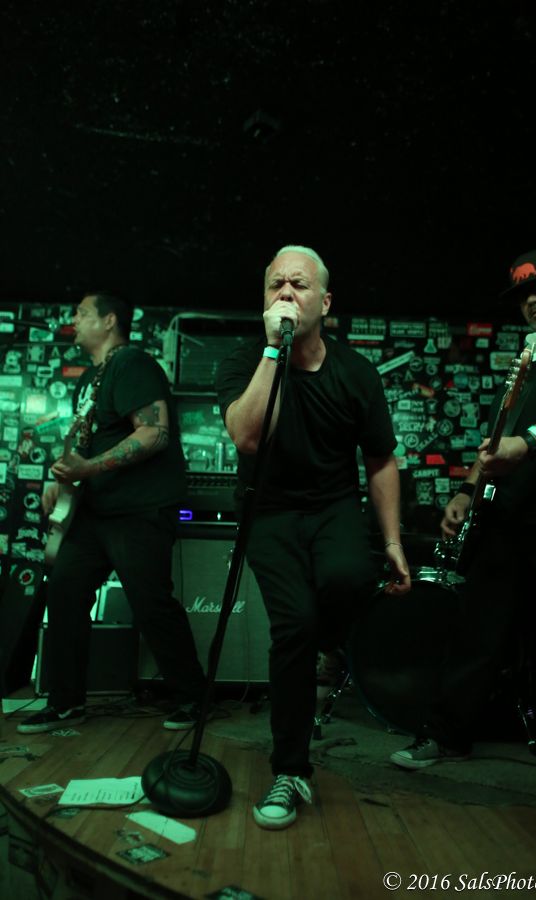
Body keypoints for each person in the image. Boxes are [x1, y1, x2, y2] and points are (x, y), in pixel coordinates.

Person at [216, 245, 411, 829]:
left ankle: (329, 644)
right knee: (292, 628)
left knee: (351, 577)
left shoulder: (355, 372)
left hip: (333, 506)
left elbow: (380, 459)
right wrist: (274, 350)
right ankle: (289, 769)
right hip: (268, 512)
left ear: (325, 302)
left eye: (298, 284)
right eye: (275, 283)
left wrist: (393, 542)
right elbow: (249, 438)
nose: (285, 292)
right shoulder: (245, 361)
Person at [391, 247, 536, 768]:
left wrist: (529, 443)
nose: (532, 301)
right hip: (511, 515)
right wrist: (467, 490)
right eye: (523, 296)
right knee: (477, 629)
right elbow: (499, 437)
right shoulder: (531, 356)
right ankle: (446, 734)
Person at [18, 292, 207, 734]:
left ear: (108, 321)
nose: (73, 319)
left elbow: (154, 433)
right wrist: (62, 477)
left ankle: (194, 698)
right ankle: (65, 702)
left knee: (150, 602)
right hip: (96, 512)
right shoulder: (90, 378)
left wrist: (87, 468)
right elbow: (86, 441)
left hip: (139, 509)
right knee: (64, 591)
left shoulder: (131, 364)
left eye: (82, 313)